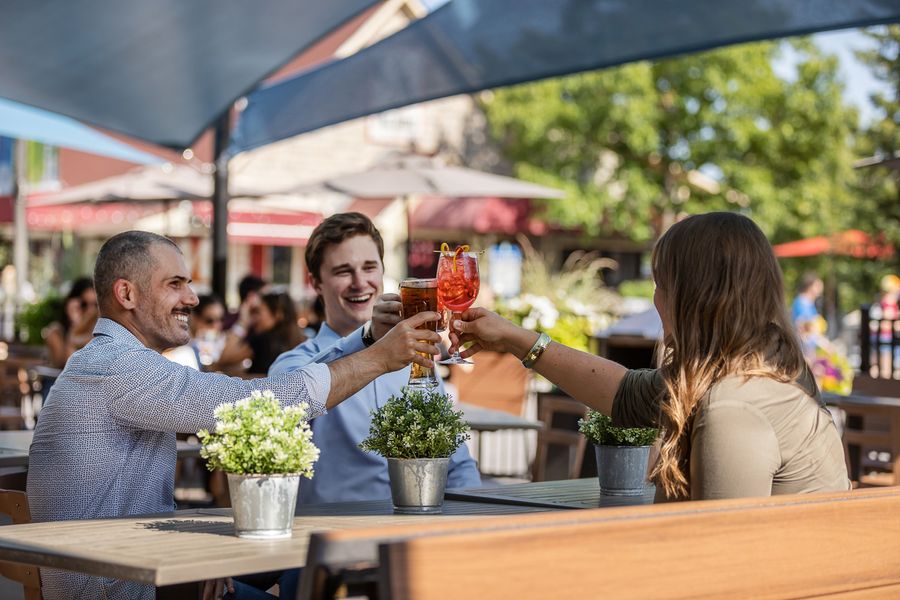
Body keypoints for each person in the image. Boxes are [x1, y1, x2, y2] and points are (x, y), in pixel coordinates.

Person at [26, 230, 440, 600]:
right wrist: (379, 358)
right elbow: (254, 406)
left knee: (305, 567)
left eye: (189, 284)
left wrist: (191, 557)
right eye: (175, 285)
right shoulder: (117, 367)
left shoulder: (109, 362)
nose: (192, 298)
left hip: (135, 570)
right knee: (314, 569)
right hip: (116, 587)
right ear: (127, 295)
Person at [452, 212, 849, 502]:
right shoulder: (764, 368)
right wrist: (514, 339)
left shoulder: (733, 409)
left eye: (661, 286)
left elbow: (720, 561)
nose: (655, 300)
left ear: (693, 300)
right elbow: (625, 393)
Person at [270, 212, 480, 504]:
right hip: (331, 537)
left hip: (412, 534)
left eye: (369, 267)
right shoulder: (293, 365)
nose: (360, 282)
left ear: (382, 270)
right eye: (343, 271)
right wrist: (367, 337)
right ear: (315, 283)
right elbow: (284, 398)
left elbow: (456, 463)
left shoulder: (416, 358)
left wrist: (475, 517)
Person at [43, 277, 98, 370]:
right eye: (84, 304)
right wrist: (76, 327)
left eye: (95, 305)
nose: (90, 311)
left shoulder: (98, 331)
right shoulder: (55, 332)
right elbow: (65, 367)